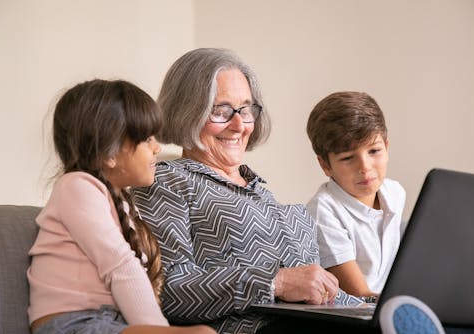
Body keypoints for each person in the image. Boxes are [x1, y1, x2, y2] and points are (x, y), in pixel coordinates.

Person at [132, 48, 348, 334]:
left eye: (245, 110)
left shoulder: (260, 191)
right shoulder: (166, 181)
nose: (238, 125)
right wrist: (276, 282)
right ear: (186, 112)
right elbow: (167, 289)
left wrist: (369, 304)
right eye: (220, 111)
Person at [27, 79, 216, 334]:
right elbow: (121, 266)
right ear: (110, 153)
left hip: (107, 322)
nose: (157, 147)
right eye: (147, 138)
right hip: (70, 325)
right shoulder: (76, 187)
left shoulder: (120, 199)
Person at [305, 91, 406, 299]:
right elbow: (360, 295)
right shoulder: (323, 210)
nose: (365, 167)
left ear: (386, 147)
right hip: (357, 314)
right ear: (325, 165)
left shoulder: (395, 192)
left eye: (374, 151)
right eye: (348, 158)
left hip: (388, 302)